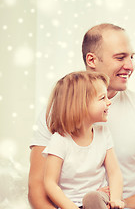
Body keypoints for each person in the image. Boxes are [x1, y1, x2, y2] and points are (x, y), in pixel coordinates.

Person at [28, 24, 135, 209]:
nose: (130, 66)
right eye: (120, 57)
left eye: (132, 57)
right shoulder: (56, 113)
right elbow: (37, 189)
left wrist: (122, 205)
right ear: (92, 60)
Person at [43, 71, 124, 209]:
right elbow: (50, 183)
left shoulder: (103, 133)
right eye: (102, 98)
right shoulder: (60, 140)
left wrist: (115, 200)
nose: (109, 102)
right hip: (72, 204)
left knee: (92, 198)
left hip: (100, 200)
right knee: (91, 198)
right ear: (81, 104)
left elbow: (114, 172)